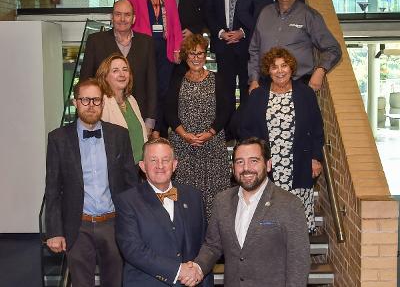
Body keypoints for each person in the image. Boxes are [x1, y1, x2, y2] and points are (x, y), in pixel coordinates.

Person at [45, 78, 138, 287]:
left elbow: (130, 184)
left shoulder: (120, 135)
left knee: (115, 282)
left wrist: (134, 224)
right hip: (77, 226)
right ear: (75, 102)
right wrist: (54, 231)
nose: (91, 105)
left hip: (113, 224)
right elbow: (52, 189)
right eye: (85, 100)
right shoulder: (58, 138)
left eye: (96, 100)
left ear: (103, 103)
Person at [192, 138, 310, 287]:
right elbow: (213, 245)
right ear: (233, 167)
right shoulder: (222, 201)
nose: (246, 168)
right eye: (240, 162)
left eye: (253, 161)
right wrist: (197, 268)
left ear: (268, 165)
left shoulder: (290, 204)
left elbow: (299, 260)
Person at [240, 47, 324, 232]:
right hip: (269, 167)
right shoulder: (257, 96)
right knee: (268, 223)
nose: (280, 71)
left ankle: (297, 259)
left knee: (297, 223)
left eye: (284, 66)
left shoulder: (305, 94)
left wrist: (315, 158)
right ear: (268, 71)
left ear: (291, 68)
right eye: (274, 67)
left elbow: (317, 129)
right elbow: (245, 130)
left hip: (299, 165)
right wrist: (255, 159)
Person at [114, 138, 213, 287]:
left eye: (165, 160)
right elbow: (133, 250)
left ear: (174, 165)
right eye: (153, 160)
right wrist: (178, 271)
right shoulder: (127, 201)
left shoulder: (194, 196)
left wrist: (199, 269)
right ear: (143, 166)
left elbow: (207, 242)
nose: (160, 166)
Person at [165, 34, 231, 219]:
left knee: (215, 198)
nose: (196, 58)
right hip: (183, 148)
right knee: (185, 199)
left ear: (205, 55)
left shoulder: (217, 79)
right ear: (186, 56)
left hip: (213, 147)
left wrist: (210, 133)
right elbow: (169, 111)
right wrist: (184, 134)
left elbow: (226, 110)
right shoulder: (177, 79)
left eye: (200, 53)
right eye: (192, 54)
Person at [248, 0, 342, 93]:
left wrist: (320, 71)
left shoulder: (309, 15)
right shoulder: (265, 13)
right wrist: (254, 80)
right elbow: (254, 50)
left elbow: (333, 48)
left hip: (298, 84)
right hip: (266, 83)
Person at [80, 0, 157, 134]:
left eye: (127, 15)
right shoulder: (95, 41)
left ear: (133, 19)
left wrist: (149, 122)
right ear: (111, 17)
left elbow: (152, 84)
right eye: (118, 14)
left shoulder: (146, 43)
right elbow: (85, 82)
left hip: (137, 116)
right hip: (103, 116)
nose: (122, 19)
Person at [126, 0, 182, 138]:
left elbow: (175, 23)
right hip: (144, 47)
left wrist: (177, 48)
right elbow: (130, 21)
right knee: (145, 87)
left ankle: (159, 129)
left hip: (165, 47)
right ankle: (143, 127)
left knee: (163, 89)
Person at [204, 0, 253, 120]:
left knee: (247, 90)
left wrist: (242, 32)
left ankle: (245, 130)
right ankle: (229, 130)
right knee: (226, 91)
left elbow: (257, 12)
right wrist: (220, 33)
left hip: (246, 45)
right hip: (223, 45)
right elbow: (208, 11)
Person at [95, 54, 147, 163]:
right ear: (105, 76)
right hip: (118, 169)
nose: (122, 74)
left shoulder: (131, 100)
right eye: (115, 71)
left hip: (140, 167)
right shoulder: (101, 103)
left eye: (125, 69)